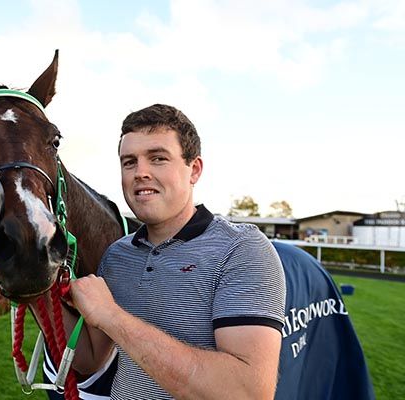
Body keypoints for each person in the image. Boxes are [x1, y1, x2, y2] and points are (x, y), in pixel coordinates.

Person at [68, 104, 286, 399]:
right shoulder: (117, 255)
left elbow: (246, 391)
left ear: (194, 169)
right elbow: (91, 359)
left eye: (158, 159)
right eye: (129, 162)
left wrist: (111, 315)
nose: (140, 172)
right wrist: (33, 291)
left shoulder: (242, 249)